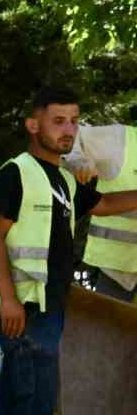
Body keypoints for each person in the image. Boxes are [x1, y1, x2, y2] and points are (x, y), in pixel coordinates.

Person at [0, 88, 137, 415]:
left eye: (73, 121)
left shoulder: (62, 180)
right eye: (58, 121)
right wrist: (8, 300)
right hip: (25, 310)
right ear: (34, 125)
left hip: (47, 307)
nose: (68, 130)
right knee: (35, 405)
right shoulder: (17, 173)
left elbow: (102, 204)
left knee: (12, 403)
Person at [63, 121, 137, 303]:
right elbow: (72, 135)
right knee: (106, 327)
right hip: (117, 273)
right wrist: (78, 159)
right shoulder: (122, 141)